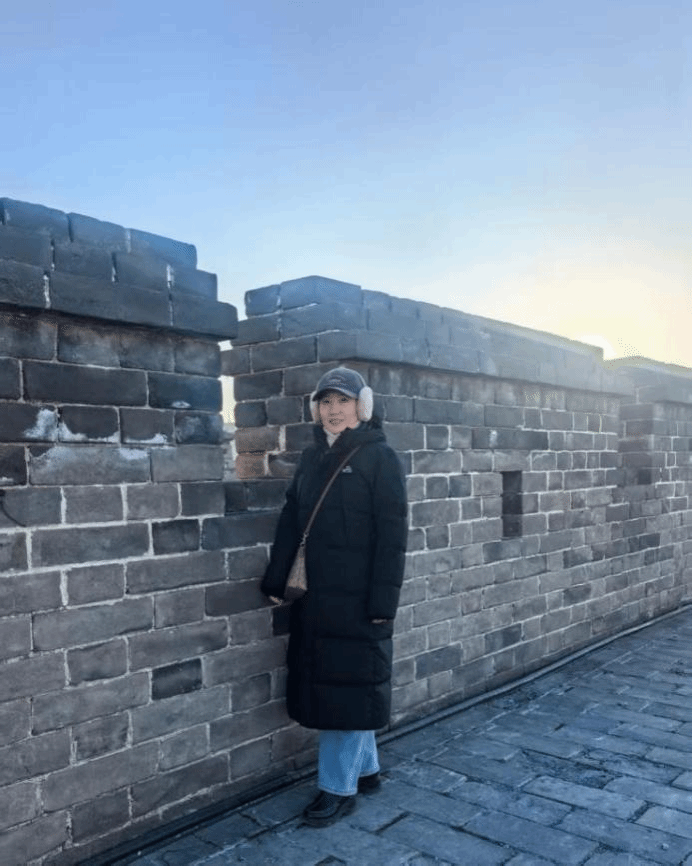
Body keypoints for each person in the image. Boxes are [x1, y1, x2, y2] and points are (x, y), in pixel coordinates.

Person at [261, 366, 408, 827]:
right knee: (343, 687)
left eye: (343, 401)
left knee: (346, 692)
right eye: (326, 401)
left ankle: (337, 789)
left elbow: (393, 538)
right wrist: (276, 580)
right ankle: (366, 771)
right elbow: (291, 522)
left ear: (362, 406)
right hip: (316, 598)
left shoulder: (380, 458)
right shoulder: (311, 458)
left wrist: (382, 604)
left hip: (358, 601)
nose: (334, 410)